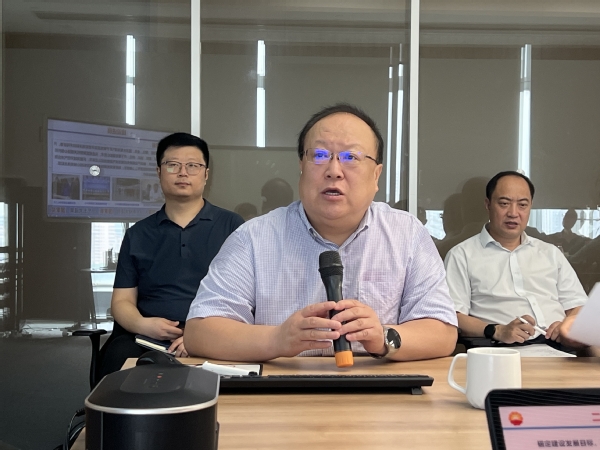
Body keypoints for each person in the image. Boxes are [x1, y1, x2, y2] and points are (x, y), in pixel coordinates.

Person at [185, 103, 458, 362]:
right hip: (282, 387)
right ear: (301, 166)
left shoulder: (406, 234)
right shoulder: (253, 238)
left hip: (380, 387)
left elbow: (443, 332)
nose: (334, 171)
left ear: (376, 175)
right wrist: (276, 339)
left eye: (350, 157)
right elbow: (200, 331)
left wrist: (384, 337)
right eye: (319, 155)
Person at [99, 132, 244, 377]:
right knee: (118, 361)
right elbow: (122, 301)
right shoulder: (138, 234)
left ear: (206, 174)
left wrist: (199, 336)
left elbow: (245, 296)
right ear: (159, 172)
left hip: (215, 332)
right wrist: (144, 325)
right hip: (147, 337)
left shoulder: (232, 226)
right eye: (173, 165)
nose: (183, 173)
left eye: (193, 166)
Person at [444, 171, 588, 348]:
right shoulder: (462, 255)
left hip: (562, 349)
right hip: (503, 350)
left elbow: (577, 306)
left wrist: (567, 326)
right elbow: (453, 315)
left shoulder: (550, 253)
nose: (513, 213)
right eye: (504, 203)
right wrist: (497, 330)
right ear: (488, 204)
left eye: (522, 205)